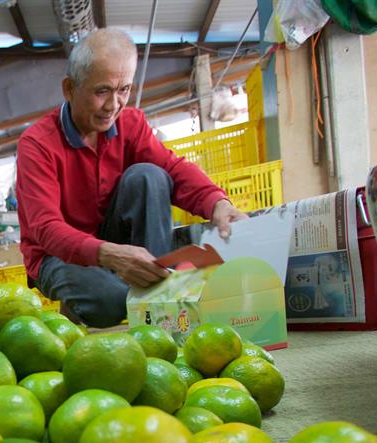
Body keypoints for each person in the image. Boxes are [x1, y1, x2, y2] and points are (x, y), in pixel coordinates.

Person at [15, 28, 247, 328]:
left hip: (110, 239)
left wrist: (217, 203)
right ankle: (96, 298)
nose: (113, 105)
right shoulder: (37, 144)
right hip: (56, 256)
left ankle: (158, 288)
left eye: (123, 89)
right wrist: (110, 255)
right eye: (102, 91)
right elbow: (46, 229)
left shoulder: (130, 123)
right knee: (112, 301)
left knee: (150, 176)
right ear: (70, 88)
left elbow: (173, 169)